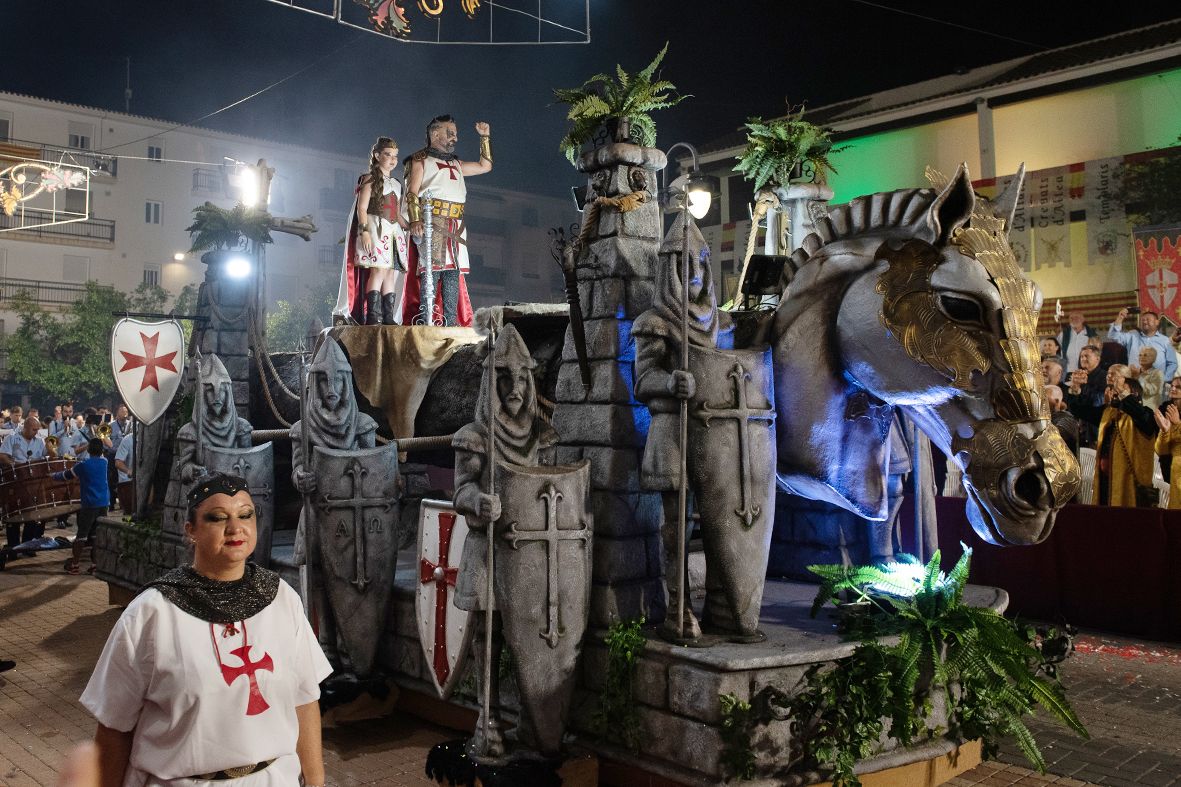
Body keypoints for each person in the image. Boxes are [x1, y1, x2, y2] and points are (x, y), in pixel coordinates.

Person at [80, 473, 332, 787]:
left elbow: (304, 698)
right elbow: (113, 728)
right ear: (191, 531)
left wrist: (316, 780)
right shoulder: (152, 613)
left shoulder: (282, 598)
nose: (235, 528)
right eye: (217, 518)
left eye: (245, 515)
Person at [402, 115, 492, 327]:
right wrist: (415, 221)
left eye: (456, 134)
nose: (455, 138)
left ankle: (450, 322)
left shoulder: (457, 164)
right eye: (450, 133)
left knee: (453, 272)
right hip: (432, 222)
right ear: (435, 134)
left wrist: (485, 137)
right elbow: (412, 193)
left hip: (456, 224)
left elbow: (484, 166)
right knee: (432, 271)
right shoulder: (420, 160)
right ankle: (427, 321)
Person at [334, 136, 410, 326]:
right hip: (376, 229)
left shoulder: (397, 184)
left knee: (390, 274)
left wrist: (411, 224)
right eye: (388, 154)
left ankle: (388, 316)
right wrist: (365, 232)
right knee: (378, 271)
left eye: (395, 156)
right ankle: (373, 316)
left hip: (393, 233)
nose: (392, 159)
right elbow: (362, 208)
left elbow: (397, 214)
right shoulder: (369, 179)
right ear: (377, 155)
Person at [51, 438, 108, 575]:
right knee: (95, 535)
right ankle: (95, 565)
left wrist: (52, 475)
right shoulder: (105, 462)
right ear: (102, 451)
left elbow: (65, 476)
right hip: (103, 503)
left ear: (88, 450)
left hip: (89, 503)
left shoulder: (83, 465)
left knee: (81, 536)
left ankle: (75, 565)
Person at [1, 416, 53, 553]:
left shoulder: (40, 441)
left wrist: (51, 448)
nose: (36, 432)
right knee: (14, 514)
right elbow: (2, 455)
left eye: (37, 430)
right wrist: (16, 465)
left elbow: (51, 457)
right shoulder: (12, 439)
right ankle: (13, 547)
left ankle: (27, 546)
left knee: (32, 515)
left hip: (34, 482)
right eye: (34, 429)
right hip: (16, 481)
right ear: (25, 427)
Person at [1109, 308, 1177, 382]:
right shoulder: (1132, 336)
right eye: (1142, 320)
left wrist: (1165, 379)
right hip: (1135, 383)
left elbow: (1172, 363)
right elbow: (1113, 336)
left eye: (1148, 319)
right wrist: (1120, 318)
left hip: (1157, 384)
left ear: (1157, 322)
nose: (1144, 321)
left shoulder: (1165, 340)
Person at [1154, 381, 1181, 509]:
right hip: (1170, 469)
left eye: (1179, 387)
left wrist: (1177, 424)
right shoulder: (1167, 409)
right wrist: (1164, 431)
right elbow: (1161, 450)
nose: (1174, 389)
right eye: (1173, 386)